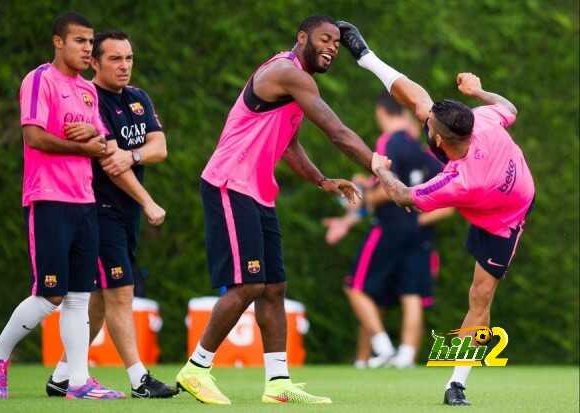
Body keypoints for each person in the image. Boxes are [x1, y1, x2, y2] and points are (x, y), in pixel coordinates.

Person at [175, 15, 377, 405]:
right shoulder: (287, 72)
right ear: (302, 38)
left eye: (337, 42)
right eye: (324, 38)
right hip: (229, 183)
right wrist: (378, 167)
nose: (333, 47)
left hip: (257, 191)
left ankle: (278, 383)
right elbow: (337, 132)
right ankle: (196, 369)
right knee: (248, 285)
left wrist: (321, 181)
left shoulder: (297, 82)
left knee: (274, 288)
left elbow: (288, 144)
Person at [338, 21, 535, 406]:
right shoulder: (483, 120)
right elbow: (508, 107)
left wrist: (380, 171)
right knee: (421, 100)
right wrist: (478, 91)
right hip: (485, 187)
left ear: (440, 140)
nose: (423, 121)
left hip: (504, 218)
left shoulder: (461, 181)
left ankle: (456, 383)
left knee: (480, 298)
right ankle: (366, 56)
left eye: (430, 126)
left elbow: (406, 197)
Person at [0, 12, 123, 400]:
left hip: (85, 200)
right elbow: (35, 137)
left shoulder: (89, 91)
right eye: (79, 41)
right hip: (49, 198)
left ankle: (78, 382)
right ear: (58, 42)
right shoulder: (39, 79)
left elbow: (104, 143)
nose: (87, 49)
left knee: (79, 296)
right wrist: (83, 145)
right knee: (49, 295)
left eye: (90, 42)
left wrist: (93, 134)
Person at [44, 31, 177, 399]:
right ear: (95, 62)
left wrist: (134, 156)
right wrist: (149, 201)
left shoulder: (138, 99)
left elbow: (158, 147)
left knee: (99, 302)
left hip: (124, 213)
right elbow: (110, 164)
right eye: (115, 59)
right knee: (120, 292)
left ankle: (62, 376)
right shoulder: (88, 99)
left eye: (129, 58)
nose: (124, 66)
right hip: (96, 210)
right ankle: (139, 380)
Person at [323, 94, 453, 369]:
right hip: (415, 234)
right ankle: (405, 356)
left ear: (381, 111)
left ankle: (382, 348)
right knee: (411, 295)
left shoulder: (388, 142)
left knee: (356, 288)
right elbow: (444, 194)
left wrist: (360, 193)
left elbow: (384, 188)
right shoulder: (420, 151)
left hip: (389, 228)